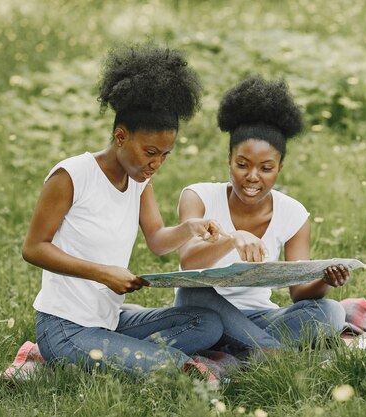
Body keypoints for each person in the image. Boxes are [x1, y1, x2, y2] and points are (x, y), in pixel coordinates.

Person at [21, 42, 227, 376]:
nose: (156, 163)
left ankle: (122, 355)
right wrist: (103, 273)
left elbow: (158, 240)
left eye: (164, 154)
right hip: (64, 328)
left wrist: (190, 228)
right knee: (175, 368)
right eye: (150, 152)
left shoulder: (139, 182)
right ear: (120, 136)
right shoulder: (71, 176)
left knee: (206, 323)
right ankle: (138, 360)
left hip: (110, 321)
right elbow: (33, 249)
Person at [174, 76, 349, 352]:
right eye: (242, 165)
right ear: (229, 160)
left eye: (266, 168)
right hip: (206, 311)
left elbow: (298, 292)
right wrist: (233, 238)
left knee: (331, 311)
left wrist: (325, 282)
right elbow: (188, 261)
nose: (252, 177)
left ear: (280, 168)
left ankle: (249, 347)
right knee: (193, 293)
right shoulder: (198, 197)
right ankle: (274, 353)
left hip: (260, 317)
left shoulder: (293, 214)